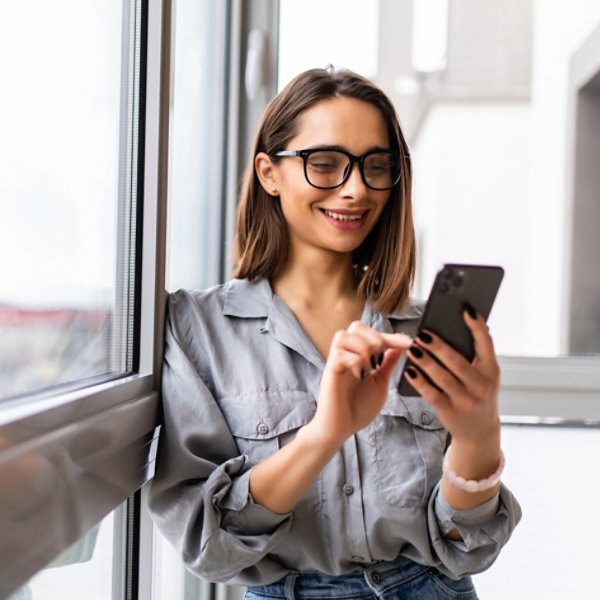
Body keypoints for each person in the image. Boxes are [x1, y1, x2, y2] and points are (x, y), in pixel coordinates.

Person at [148, 67, 521, 600]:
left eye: (376, 167)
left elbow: (466, 541)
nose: (354, 189)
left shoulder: (422, 332)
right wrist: (324, 434)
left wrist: (478, 439)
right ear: (269, 173)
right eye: (325, 164)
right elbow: (209, 545)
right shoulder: (196, 330)